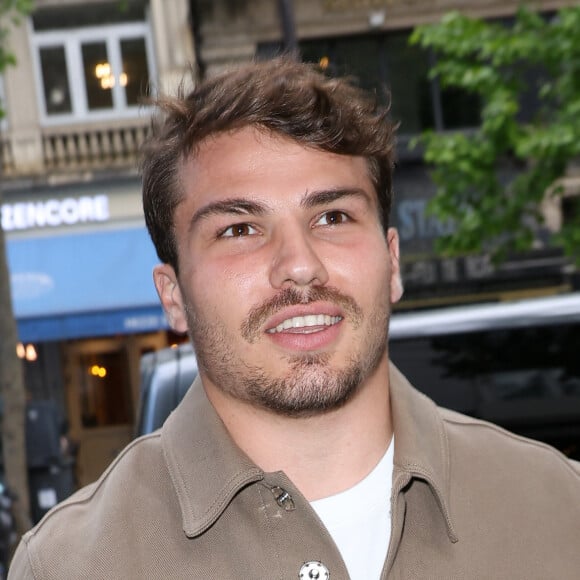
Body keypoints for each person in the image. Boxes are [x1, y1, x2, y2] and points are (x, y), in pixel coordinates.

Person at [9, 57, 580, 579]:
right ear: (173, 295)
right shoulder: (71, 565)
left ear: (393, 261)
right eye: (239, 230)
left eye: (332, 216)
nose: (300, 266)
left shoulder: (557, 508)